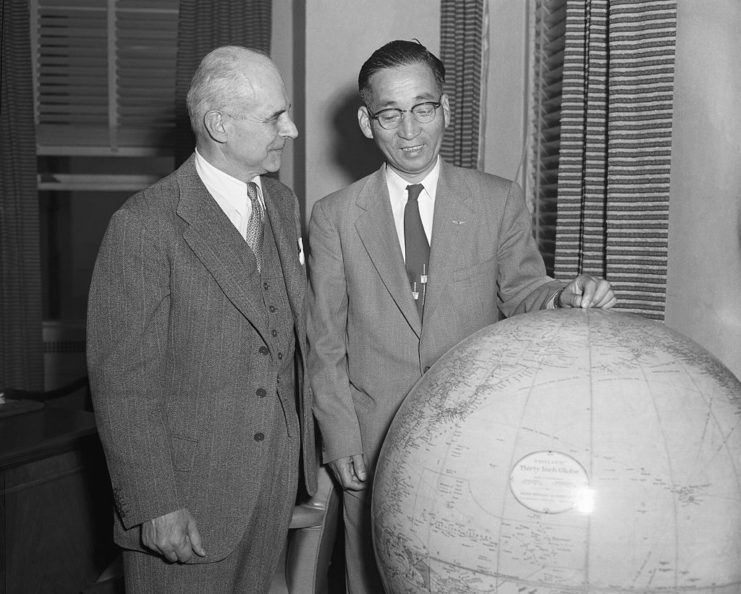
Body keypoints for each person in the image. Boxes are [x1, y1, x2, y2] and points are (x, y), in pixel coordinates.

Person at [306, 39, 616, 593]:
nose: (410, 131)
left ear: (445, 108)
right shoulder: (334, 217)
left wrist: (563, 295)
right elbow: (325, 341)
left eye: (423, 108)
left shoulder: (497, 201)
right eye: (390, 113)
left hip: (474, 438)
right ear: (364, 121)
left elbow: (524, 291)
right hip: (371, 446)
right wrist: (340, 437)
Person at [87, 45, 316, 593]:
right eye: (274, 117)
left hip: (270, 488)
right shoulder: (144, 225)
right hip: (186, 501)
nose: (293, 129)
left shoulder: (280, 204)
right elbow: (122, 384)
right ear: (219, 124)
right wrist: (155, 504)